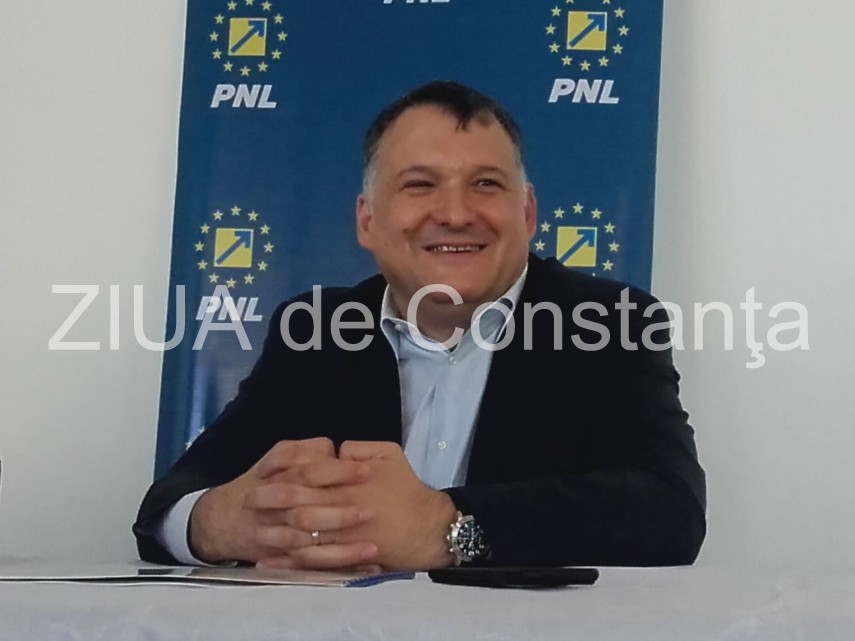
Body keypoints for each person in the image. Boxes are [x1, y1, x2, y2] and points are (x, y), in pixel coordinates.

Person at [134, 81, 706, 571]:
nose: (455, 213)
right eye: (419, 185)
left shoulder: (609, 323)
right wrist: (223, 524)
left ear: (527, 213)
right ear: (367, 219)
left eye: (486, 184)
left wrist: (445, 528)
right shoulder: (315, 329)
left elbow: (670, 513)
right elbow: (166, 509)